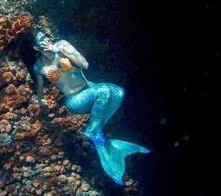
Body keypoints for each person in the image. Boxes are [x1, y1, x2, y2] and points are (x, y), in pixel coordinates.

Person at [32, 30, 150, 185]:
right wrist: (41, 101)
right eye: (41, 40)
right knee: (104, 91)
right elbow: (40, 86)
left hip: (89, 88)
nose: (46, 40)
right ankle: (93, 131)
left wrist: (62, 52)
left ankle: (102, 137)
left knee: (119, 93)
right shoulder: (38, 67)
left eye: (45, 36)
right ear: (36, 47)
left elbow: (85, 64)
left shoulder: (62, 45)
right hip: (74, 99)